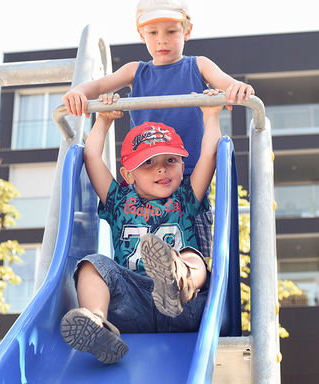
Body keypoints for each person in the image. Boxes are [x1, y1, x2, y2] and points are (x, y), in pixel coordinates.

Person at [62, 0, 254, 266]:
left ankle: (188, 286)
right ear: (141, 35)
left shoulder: (198, 65)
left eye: (171, 31)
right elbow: (98, 85)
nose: (162, 40)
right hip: (145, 172)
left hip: (187, 174)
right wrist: (79, 93)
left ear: (187, 31)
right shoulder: (135, 71)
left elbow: (226, 82)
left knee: (193, 248)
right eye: (153, 33)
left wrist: (235, 88)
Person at [60, 93, 224, 364]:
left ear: (183, 166)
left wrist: (211, 115)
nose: (161, 170)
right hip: (130, 305)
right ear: (128, 174)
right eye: (148, 163)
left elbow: (210, 153)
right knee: (92, 264)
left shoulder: (186, 196)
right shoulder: (118, 199)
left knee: (191, 255)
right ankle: (99, 326)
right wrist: (103, 119)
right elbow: (91, 157)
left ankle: (177, 281)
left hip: (184, 307)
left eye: (170, 161)